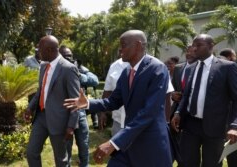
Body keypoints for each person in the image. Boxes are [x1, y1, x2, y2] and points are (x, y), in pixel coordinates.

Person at [64, 30, 172, 167]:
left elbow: (148, 113)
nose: (120, 49)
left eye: (123, 45)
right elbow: (113, 101)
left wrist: (113, 143)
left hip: (150, 143)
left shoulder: (157, 69)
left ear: (138, 45)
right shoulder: (127, 72)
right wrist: (88, 103)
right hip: (128, 142)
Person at [171, 34, 237, 167]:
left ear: (211, 46)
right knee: (186, 162)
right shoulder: (191, 67)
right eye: (193, 45)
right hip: (190, 125)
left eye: (198, 45)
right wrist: (178, 112)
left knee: (211, 164)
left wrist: (235, 125)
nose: (194, 49)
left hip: (215, 127)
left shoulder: (226, 67)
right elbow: (187, 95)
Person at [24, 35, 80, 167]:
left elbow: (76, 101)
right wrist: (30, 107)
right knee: (31, 152)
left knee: (61, 160)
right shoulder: (43, 66)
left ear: (49, 50)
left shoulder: (68, 68)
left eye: (40, 49)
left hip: (59, 121)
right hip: (41, 117)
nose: (38, 52)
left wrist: (71, 126)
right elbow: (41, 90)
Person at [59, 46, 90, 167]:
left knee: (84, 146)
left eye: (70, 56)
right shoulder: (56, 71)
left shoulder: (77, 69)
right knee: (66, 150)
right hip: (65, 115)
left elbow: (94, 80)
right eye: (65, 56)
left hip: (80, 114)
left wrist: (78, 73)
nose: (68, 58)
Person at [170, 45, 197, 166]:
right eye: (187, 51)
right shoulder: (178, 68)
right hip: (175, 112)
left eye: (192, 51)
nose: (189, 53)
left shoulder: (200, 69)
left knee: (188, 148)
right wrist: (172, 94)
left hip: (192, 114)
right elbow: (171, 88)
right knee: (172, 143)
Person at [219, 48, 237, 167]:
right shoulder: (230, 68)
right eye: (234, 56)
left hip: (227, 120)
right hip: (228, 119)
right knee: (233, 151)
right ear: (230, 57)